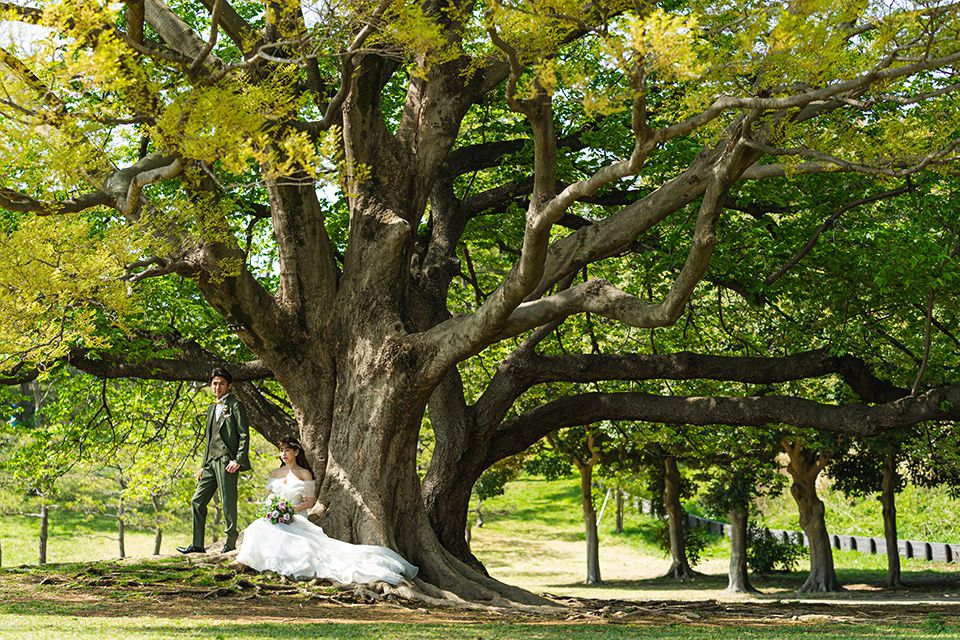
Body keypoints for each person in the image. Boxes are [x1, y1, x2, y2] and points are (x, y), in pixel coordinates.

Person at [236, 437, 418, 585]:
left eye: (287, 450)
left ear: (296, 452)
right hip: (274, 516)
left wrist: (289, 511)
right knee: (258, 527)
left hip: (294, 517)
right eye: (281, 450)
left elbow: (309, 502)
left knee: (302, 545)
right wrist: (272, 510)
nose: (283, 454)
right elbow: (270, 496)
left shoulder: (304, 473)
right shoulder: (275, 473)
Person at [178, 368, 251, 554]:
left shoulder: (235, 405)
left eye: (221, 383)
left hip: (228, 461)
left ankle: (230, 542)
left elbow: (244, 434)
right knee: (197, 501)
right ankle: (197, 544)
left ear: (229, 386)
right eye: (214, 383)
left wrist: (238, 460)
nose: (217, 387)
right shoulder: (211, 408)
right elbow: (209, 439)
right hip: (211, 462)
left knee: (228, 502)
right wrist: (203, 465)